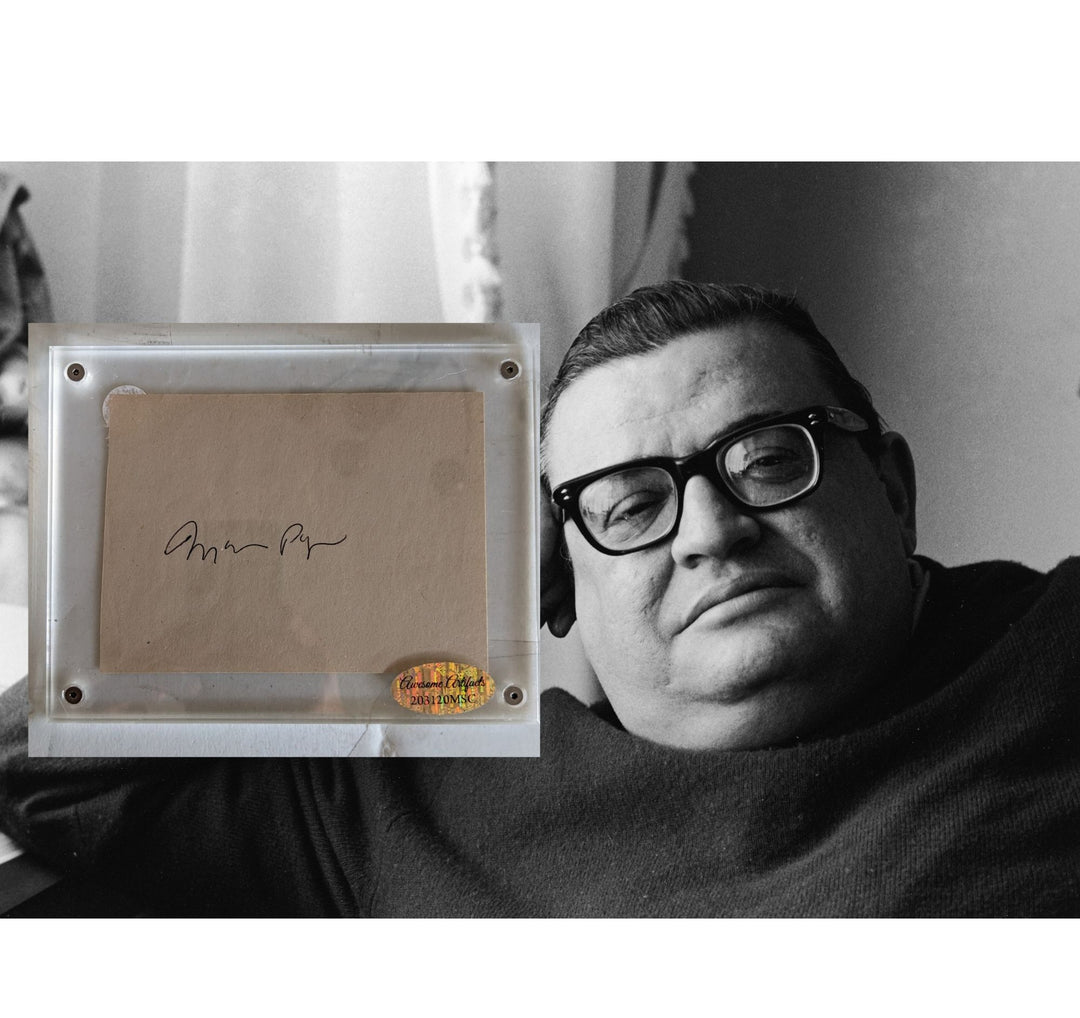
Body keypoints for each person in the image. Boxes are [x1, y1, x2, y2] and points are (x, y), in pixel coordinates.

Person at [1, 280, 1078, 916]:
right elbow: (44, 756)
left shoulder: (1054, 653)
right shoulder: (424, 803)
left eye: (766, 460)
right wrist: (436, 560)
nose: (710, 532)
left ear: (892, 487)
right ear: (557, 578)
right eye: (630, 504)